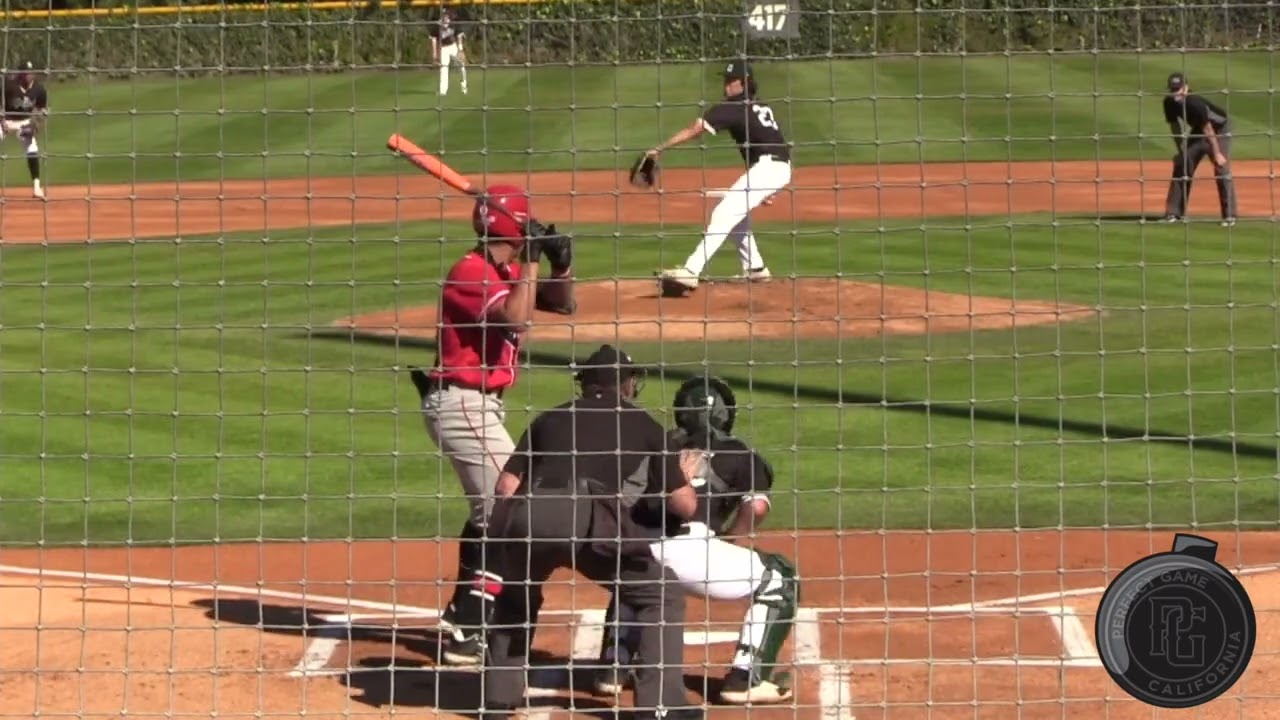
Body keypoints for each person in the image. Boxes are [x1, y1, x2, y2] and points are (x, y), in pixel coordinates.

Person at [466, 345, 701, 720]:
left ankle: (497, 700)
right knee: (662, 593)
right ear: (626, 385)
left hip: (531, 514)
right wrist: (682, 479)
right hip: (590, 516)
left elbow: (506, 487)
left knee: (516, 595)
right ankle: (661, 705)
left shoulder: (548, 419)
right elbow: (684, 505)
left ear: (585, 384)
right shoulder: (643, 424)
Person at [410, 184, 575, 666]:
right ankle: (468, 629)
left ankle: (461, 610)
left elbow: (560, 304)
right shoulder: (471, 271)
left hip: (479, 404)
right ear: (514, 226)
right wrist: (533, 263)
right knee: (508, 509)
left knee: (493, 506)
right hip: (462, 403)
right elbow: (517, 322)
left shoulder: (498, 269)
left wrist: (561, 265)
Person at [591, 375, 799, 706]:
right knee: (779, 577)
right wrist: (736, 539)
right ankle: (747, 677)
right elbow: (756, 506)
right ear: (726, 413)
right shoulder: (740, 452)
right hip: (693, 552)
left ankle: (613, 668)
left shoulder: (655, 442)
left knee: (634, 576)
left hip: (639, 543)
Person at [654, 60, 791, 292]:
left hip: (770, 169)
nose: (726, 86)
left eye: (731, 81)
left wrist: (660, 148)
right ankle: (755, 268)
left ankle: (691, 271)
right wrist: (767, 187)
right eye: (725, 81)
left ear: (744, 82)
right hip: (775, 167)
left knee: (724, 212)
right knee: (735, 213)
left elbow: (694, 129)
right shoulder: (758, 106)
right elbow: (764, 142)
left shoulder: (733, 107)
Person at [1163, 72, 1237, 226]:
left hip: (1220, 128)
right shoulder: (1169, 103)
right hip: (1199, 129)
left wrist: (1217, 154)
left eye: (1178, 89)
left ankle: (1229, 216)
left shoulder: (1194, 103)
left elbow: (1209, 130)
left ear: (1186, 88)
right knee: (1182, 165)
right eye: (1173, 89)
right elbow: (1175, 126)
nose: (1175, 92)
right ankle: (1174, 213)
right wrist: (1181, 151)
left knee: (1221, 169)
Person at [1, 60, 49, 199]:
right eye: (26, 72)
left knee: (32, 149)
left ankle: (36, 188)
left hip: (24, 122)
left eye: (31, 72)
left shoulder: (39, 89)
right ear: (20, 74)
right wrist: (2, 121)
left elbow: (42, 109)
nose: (29, 75)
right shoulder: (8, 85)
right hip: (6, 121)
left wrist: (36, 125)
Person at [430, 6, 469, 96]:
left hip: (453, 46)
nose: (445, 17)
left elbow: (459, 36)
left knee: (462, 65)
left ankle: (464, 86)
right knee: (443, 68)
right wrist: (434, 53)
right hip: (443, 48)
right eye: (443, 15)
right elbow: (434, 39)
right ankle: (443, 91)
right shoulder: (437, 25)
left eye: (446, 15)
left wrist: (460, 49)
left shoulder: (453, 23)